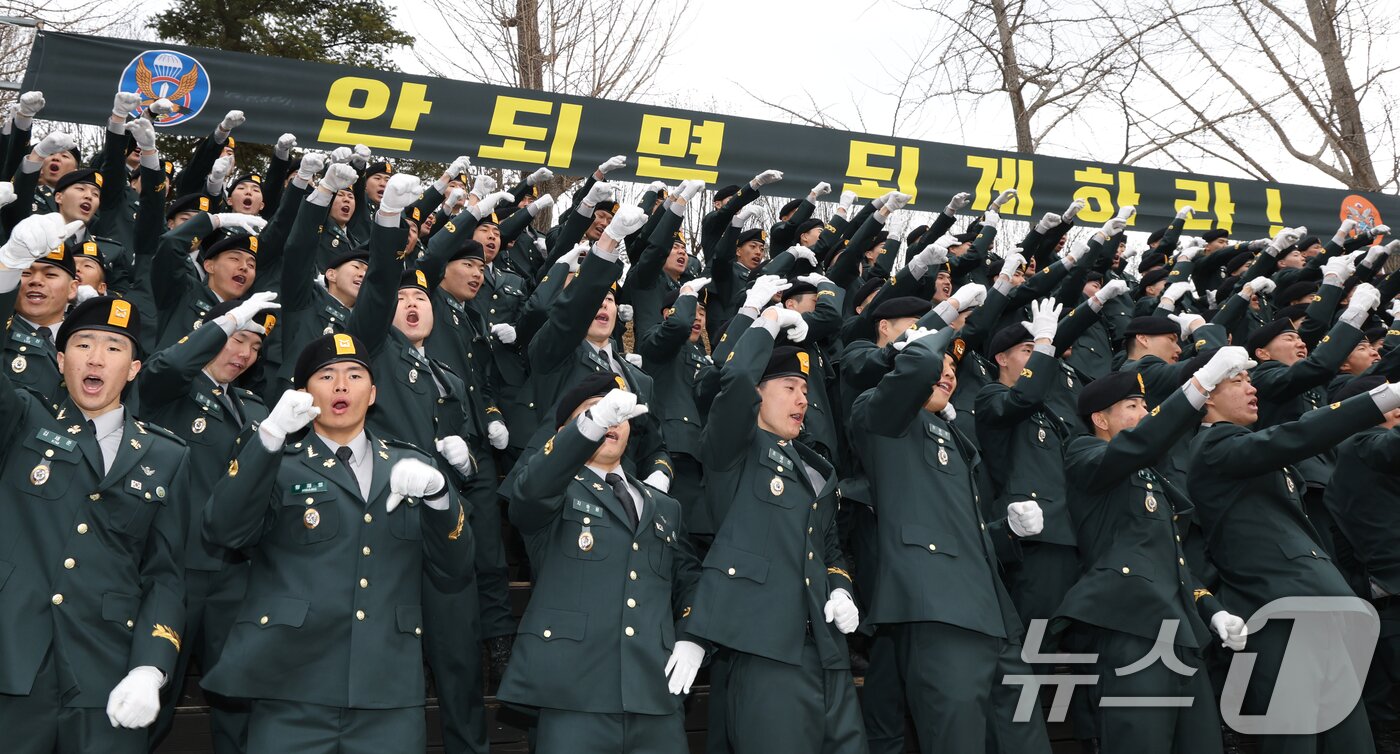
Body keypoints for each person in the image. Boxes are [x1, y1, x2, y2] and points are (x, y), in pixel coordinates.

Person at [199, 332, 472, 752]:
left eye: (354, 375)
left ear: (373, 393)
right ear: (303, 394)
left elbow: (454, 567)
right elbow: (223, 529)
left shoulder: (412, 464)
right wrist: (269, 436)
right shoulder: (277, 461)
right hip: (291, 686)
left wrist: (440, 498)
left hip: (387, 689)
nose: (341, 385)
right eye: (326, 376)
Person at [0, 212, 191, 752]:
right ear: (61, 360)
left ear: (133, 369)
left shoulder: (167, 454)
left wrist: (151, 667)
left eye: (114, 348)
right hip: (13, 662)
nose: (97, 358)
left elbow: (165, 576)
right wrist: (7, 272)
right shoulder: (21, 419)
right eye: (84, 344)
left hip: (108, 669)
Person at [851, 322, 1052, 754]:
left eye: (953, 369)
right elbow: (918, 366)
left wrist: (1006, 531)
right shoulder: (879, 416)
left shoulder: (956, 438)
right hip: (938, 611)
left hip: (994, 616)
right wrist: (944, 326)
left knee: (1027, 741)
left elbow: (962, 533)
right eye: (940, 365)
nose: (947, 373)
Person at [1188, 365, 1400, 754]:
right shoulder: (1214, 446)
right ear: (1207, 398)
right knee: (1296, 737)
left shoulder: (1249, 451)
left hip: (1318, 603)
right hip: (1279, 609)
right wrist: (1386, 397)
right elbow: (1301, 434)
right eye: (1237, 381)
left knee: (1352, 739)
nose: (1251, 389)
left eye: (1250, 380)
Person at [686, 306, 867, 754]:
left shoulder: (817, 470)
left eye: (805, 390)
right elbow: (734, 383)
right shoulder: (735, 450)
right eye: (789, 388)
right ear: (758, 394)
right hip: (766, 649)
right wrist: (766, 322)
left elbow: (829, 550)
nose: (802, 400)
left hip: (826, 650)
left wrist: (841, 591)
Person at [1057, 354, 1255, 754]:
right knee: (1140, 741)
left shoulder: (1152, 479)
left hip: (1181, 631)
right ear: (1100, 420)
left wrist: (1212, 610)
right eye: (1132, 406)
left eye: (1145, 405)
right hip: (1131, 624)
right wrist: (1199, 385)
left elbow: (1173, 562)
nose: (1144, 413)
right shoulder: (1084, 453)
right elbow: (1137, 444)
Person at [502, 375, 703, 752]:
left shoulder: (664, 507)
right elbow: (529, 493)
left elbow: (690, 580)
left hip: (654, 698)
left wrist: (693, 635)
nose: (611, 421)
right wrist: (591, 424)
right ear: (563, 433)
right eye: (592, 412)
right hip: (572, 697)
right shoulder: (554, 492)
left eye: (618, 414)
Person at [139, 293, 279, 753]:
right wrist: (226, 320)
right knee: (153, 691)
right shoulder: (172, 392)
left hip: (235, 571)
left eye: (254, 347)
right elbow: (167, 367)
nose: (244, 354)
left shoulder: (254, 408)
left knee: (236, 697)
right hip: (174, 567)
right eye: (237, 339)